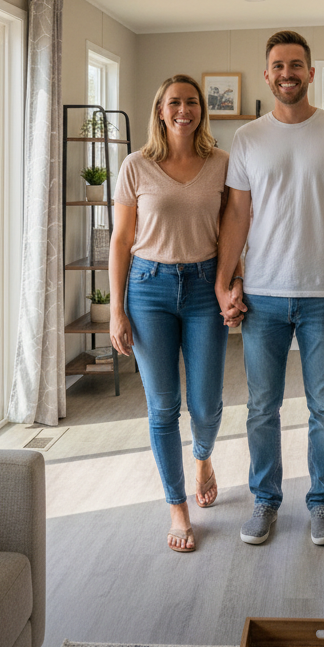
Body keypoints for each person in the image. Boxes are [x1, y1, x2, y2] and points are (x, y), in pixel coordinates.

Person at [216, 29, 324, 546]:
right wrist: (226, 281)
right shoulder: (247, 138)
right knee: (262, 408)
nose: (287, 73)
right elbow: (237, 214)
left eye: (296, 65)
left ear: (311, 73)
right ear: (267, 74)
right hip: (263, 292)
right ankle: (265, 500)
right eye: (278, 65)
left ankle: (321, 503)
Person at [108, 74, 231, 551]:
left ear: (202, 110)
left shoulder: (222, 163)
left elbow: (233, 231)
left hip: (204, 287)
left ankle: (203, 457)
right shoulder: (136, 166)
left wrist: (231, 283)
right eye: (174, 102)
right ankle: (177, 508)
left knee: (205, 403)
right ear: (160, 110)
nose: (184, 109)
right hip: (147, 289)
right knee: (163, 407)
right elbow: (121, 241)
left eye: (192, 102)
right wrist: (115, 310)